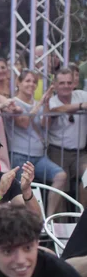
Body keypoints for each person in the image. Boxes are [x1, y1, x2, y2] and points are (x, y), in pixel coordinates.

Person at [9, 70, 67, 216]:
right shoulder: (13, 103)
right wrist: (41, 101)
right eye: (27, 81)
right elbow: (24, 122)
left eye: (34, 82)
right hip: (19, 156)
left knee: (61, 176)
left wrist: (46, 105)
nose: (31, 84)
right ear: (19, 83)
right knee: (22, 191)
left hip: (39, 156)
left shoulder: (37, 103)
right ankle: (26, 224)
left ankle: (49, 218)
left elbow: (45, 125)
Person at [47, 68, 87, 207]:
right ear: (55, 85)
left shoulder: (81, 94)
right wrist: (81, 106)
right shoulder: (52, 101)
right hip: (58, 151)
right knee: (60, 186)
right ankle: (57, 225)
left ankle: (82, 218)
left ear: (74, 83)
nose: (66, 86)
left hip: (80, 153)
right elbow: (56, 110)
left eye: (69, 83)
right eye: (62, 83)